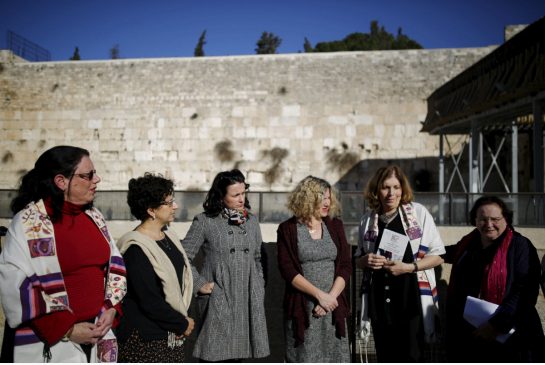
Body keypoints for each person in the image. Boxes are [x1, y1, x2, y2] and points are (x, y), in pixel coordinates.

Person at [0, 145, 127, 362]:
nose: (97, 180)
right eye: (88, 175)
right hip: (53, 340)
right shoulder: (27, 223)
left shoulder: (94, 217)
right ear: (61, 181)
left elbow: (114, 265)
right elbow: (14, 283)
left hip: (98, 337)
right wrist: (67, 329)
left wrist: (112, 308)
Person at [355, 165, 445, 362]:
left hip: (410, 299)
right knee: (385, 356)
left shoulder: (418, 214)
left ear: (403, 189)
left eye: (396, 187)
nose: (391, 193)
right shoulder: (368, 220)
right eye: (386, 187)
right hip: (380, 302)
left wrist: (409, 267)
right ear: (376, 190)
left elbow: (438, 255)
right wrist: (365, 260)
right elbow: (358, 259)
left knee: (413, 356)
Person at [181, 169, 269, 361]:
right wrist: (200, 284)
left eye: (243, 193)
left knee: (243, 356)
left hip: (248, 298)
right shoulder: (205, 221)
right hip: (220, 297)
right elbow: (183, 256)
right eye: (235, 195)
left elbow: (257, 257)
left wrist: (258, 285)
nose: (241, 199)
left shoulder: (252, 221)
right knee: (215, 355)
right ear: (221, 197)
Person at [444, 196, 545, 362]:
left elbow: (525, 292)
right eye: (483, 219)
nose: (489, 224)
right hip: (471, 338)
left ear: (506, 218)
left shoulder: (521, 247)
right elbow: (444, 253)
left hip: (510, 339)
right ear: (475, 220)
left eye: (495, 219)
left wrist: (495, 326)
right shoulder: (468, 245)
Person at [115, 173, 194, 362]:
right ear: (151, 210)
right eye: (168, 203)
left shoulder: (169, 237)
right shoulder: (135, 248)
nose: (175, 206)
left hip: (170, 336)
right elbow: (149, 299)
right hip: (146, 340)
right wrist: (182, 323)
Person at [277, 176, 351, 362]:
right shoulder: (288, 229)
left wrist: (330, 297)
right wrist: (320, 296)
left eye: (328, 197)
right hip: (304, 309)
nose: (327, 202)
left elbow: (344, 266)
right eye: (322, 197)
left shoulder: (335, 225)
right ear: (307, 198)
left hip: (333, 307)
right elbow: (288, 270)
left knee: (336, 356)